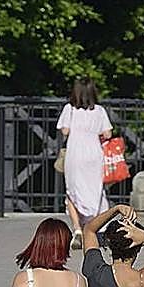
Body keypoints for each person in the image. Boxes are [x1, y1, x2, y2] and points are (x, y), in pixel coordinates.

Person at [57, 78, 113, 250]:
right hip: (94, 154)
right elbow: (108, 133)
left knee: (73, 192)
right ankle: (98, 228)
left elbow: (64, 130)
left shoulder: (70, 109)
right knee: (96, 191)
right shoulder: (99, 110)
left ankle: (78, 230)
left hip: (75, 154)